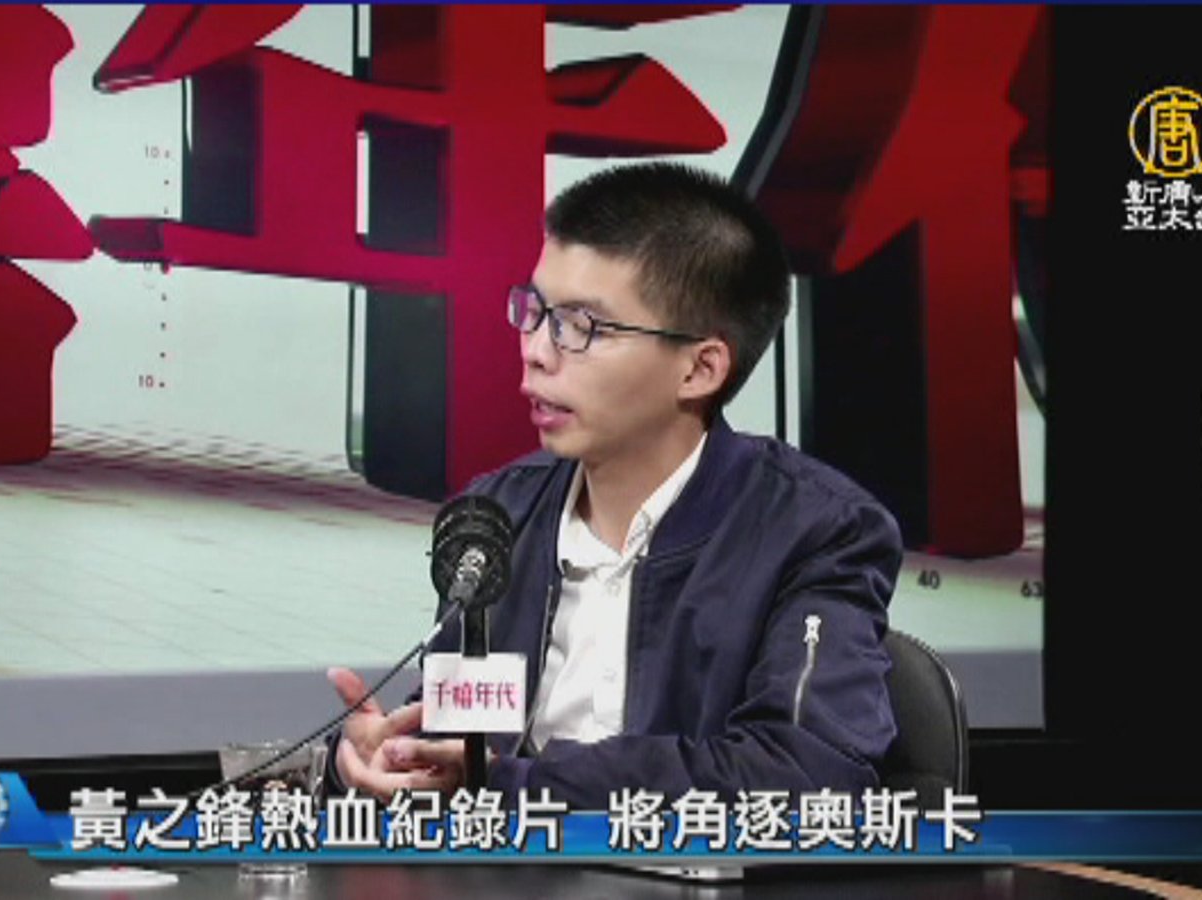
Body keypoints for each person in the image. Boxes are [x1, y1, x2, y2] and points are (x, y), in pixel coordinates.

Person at [326, 162, 902, 809]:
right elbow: (462, 733)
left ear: (700, 369)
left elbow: (807, 770)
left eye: (582, 327)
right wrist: (386, 759)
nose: (536, 350)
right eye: (535, 312)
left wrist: (516, 786)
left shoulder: (816, 531)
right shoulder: (498, 512)